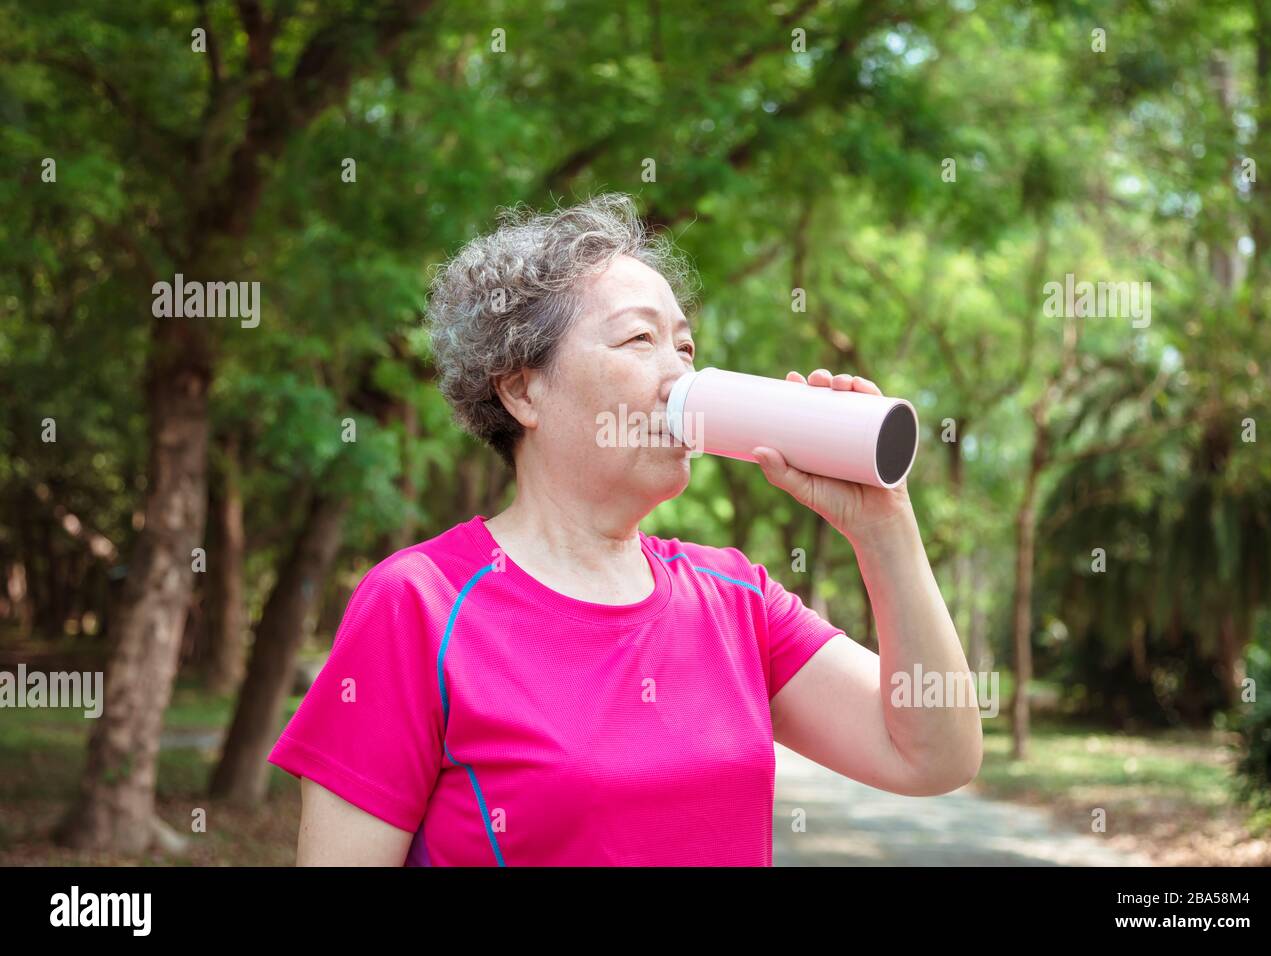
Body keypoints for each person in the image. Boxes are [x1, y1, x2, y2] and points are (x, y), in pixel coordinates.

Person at [266, 192, 982, 865]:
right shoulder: (421, 603)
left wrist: (885, 529)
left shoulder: (736, 598)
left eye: (686, 347)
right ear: (522, 389)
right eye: (639, 339)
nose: (677, 373)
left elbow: (932, 755)